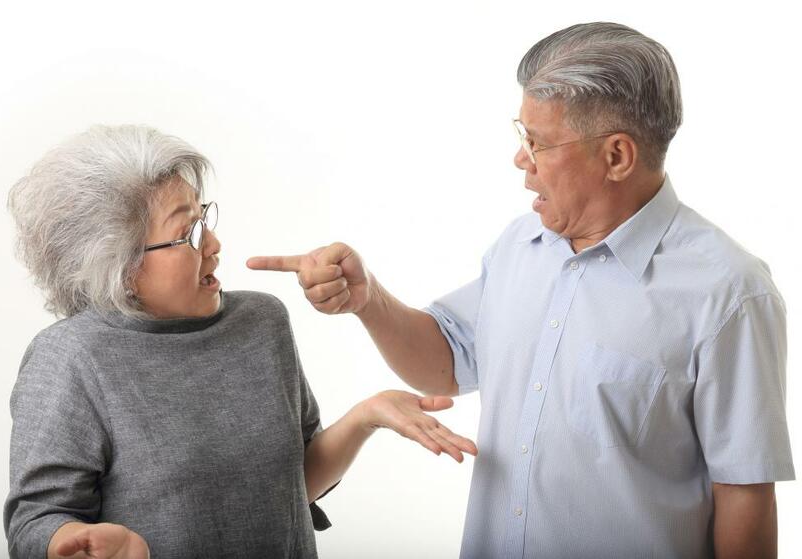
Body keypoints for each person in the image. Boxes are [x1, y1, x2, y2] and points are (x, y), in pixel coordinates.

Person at [247, 22, 795, 558]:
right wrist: (369, 300)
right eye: (522, 134)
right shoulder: (522, 243)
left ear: (617, 156)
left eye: (538, 142)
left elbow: (743, 495)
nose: (520, 158)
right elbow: (447, 362)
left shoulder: (730, 294)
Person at [4, 124, 477, 559]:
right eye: (186, 232)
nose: (213, 244)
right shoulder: (71, 358)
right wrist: (69, 541)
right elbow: (35, 521)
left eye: (203, 218)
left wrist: (365, 416)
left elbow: (293, 487)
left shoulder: (261, 321)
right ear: (121, 268)